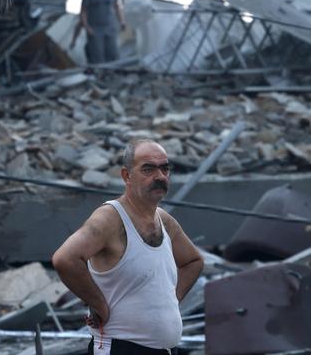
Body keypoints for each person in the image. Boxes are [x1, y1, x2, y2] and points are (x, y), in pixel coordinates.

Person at [52, 139, 204, 355]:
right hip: (120, 347)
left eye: (164, 168)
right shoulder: (110, 218)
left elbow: (193, 262)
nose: (160, 176)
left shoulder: (164, 220)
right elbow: (65, 259)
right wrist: (99, 304)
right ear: (126, 176)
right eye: (148, 169)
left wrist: (172, 298)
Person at [79, 0, 126, 64]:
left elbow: (117, 7)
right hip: (95, 30)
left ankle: (112, 74)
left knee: (113, 54)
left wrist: (122, 21)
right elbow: (83, 12)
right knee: (97, 56)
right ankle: (99, 74)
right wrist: (87, 28)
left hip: (110, 28)